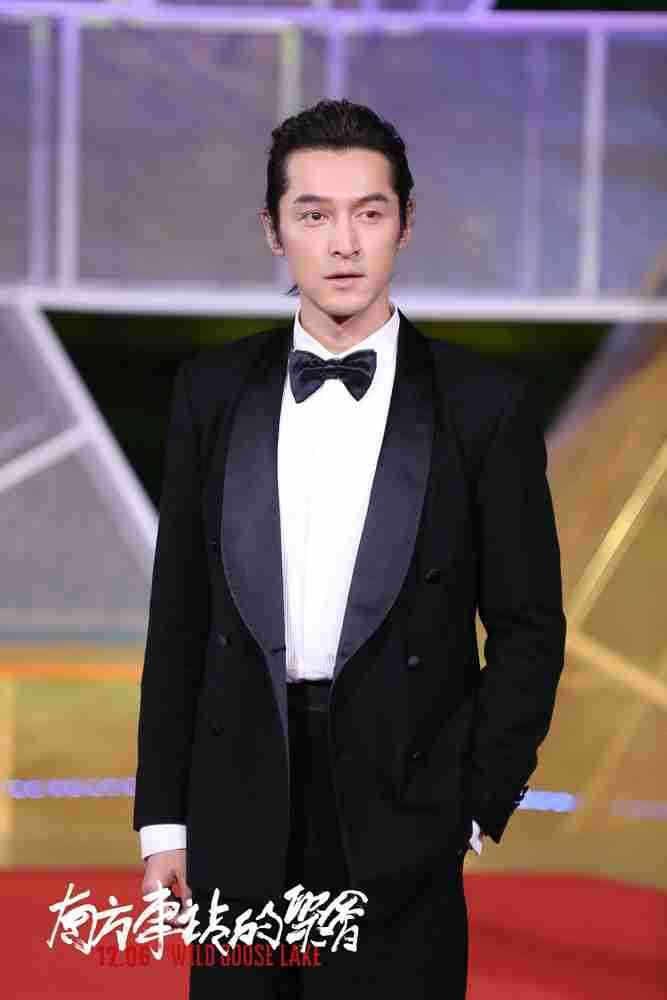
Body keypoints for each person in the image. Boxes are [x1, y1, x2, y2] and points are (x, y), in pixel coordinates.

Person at [133, 99, 567, 999]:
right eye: (313, 215)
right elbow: (179, 618)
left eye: (368, 213)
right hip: (238, 792)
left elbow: (528, 626)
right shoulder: (211, 392)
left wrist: (474, 799)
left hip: (404, 803)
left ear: (404, 224)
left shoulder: (482, 406)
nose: (342, 244)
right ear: (272, 230)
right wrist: (163, 823)